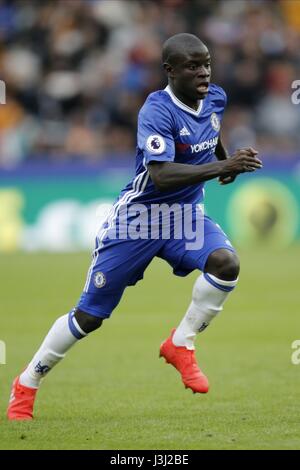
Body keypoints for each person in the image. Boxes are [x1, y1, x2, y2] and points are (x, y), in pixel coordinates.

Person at [7, 33, 262, 420]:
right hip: (137, 221)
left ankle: (181, 343)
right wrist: (223, 167)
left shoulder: (215, 97)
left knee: (226, 264)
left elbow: (211, 132)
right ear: (170, 70)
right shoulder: (156, 111)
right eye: (193, 66)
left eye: (207, 63)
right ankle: (27, 383)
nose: (203, 72)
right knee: (88, 317)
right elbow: (160, 175)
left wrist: (224, 158)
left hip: (184, 218)